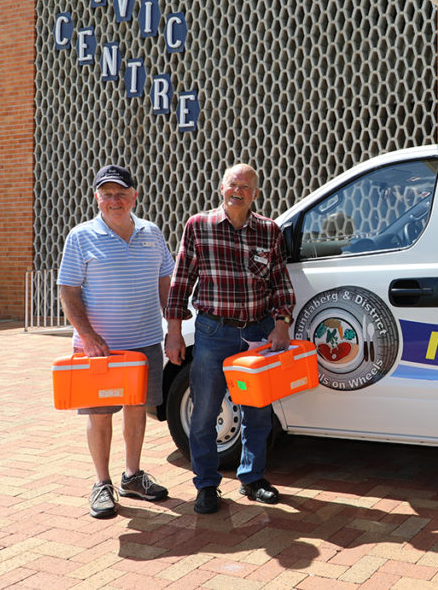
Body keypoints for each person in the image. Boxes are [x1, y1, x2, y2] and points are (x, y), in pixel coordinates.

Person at [164, 163, 296, 514]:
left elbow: (281, 282)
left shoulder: (269, 231)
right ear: (222, 188)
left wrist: (281, 323)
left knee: (258, 412)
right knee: (205, 411)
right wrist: (174, 331)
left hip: (257, 334)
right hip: (213, 332)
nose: (239, 191)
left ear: (255, 194)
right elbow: (180, 282)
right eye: (233, 184)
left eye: (247, 186)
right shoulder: (198, 226)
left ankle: (252, 480)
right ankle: (206, 485)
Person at [57, 164, 174, 519]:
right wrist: (88, 336)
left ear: (134, 196)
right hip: (100, 350)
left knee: (137, 410)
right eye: (106, 194)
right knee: (100, 415)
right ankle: (102, 483)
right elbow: (68, 290)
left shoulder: (152, 233)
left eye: (121, 193)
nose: (114, 200)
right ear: (97, 198)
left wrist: (172, 326)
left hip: (145, 344)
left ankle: (133, 476)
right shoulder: (80, 237)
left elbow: (165, 279)